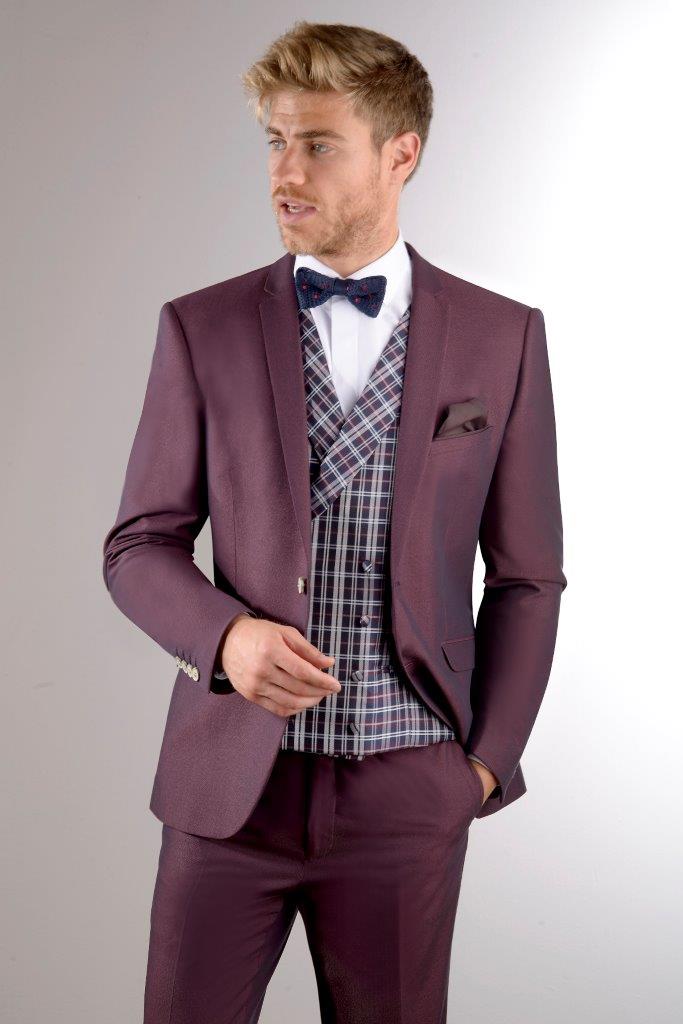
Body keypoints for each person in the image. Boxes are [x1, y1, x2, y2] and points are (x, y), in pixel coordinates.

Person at [102, 20, 567, 1023]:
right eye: (274, 141)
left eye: (317, 144)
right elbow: (138, 545)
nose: (284, 172)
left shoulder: (502, 338)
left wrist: (482, 764)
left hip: (409, 788)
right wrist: (226, 637)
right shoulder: (204, 326)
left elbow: (527, 576)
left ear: (401, 155)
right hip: (231, 786)